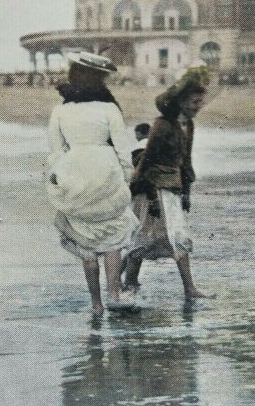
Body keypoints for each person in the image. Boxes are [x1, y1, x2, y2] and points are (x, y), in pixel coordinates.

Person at [46, 51, 140, 315]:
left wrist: (60, 178)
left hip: (74, 174)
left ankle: (96, 304)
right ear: (101, 80)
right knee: (112, 238)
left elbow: (55, 152)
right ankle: (114, 294)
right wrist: (126, 180)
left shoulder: (60, 110)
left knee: (86, 242)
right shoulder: (109, 109)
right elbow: (123, 152)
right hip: (105, 171)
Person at [123, 66, 215, 301]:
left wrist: (187, 192)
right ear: (181, 101)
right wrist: (151, 198)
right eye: (194, 102)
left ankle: (187, 289)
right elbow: (147, 162)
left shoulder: (188, 126)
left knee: (173, 236)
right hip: (151, 189)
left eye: (199, 103)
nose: (198, 107)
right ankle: (130, 281)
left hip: (172, 188)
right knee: (147, 235)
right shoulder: (162, 124)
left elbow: (187, 162)